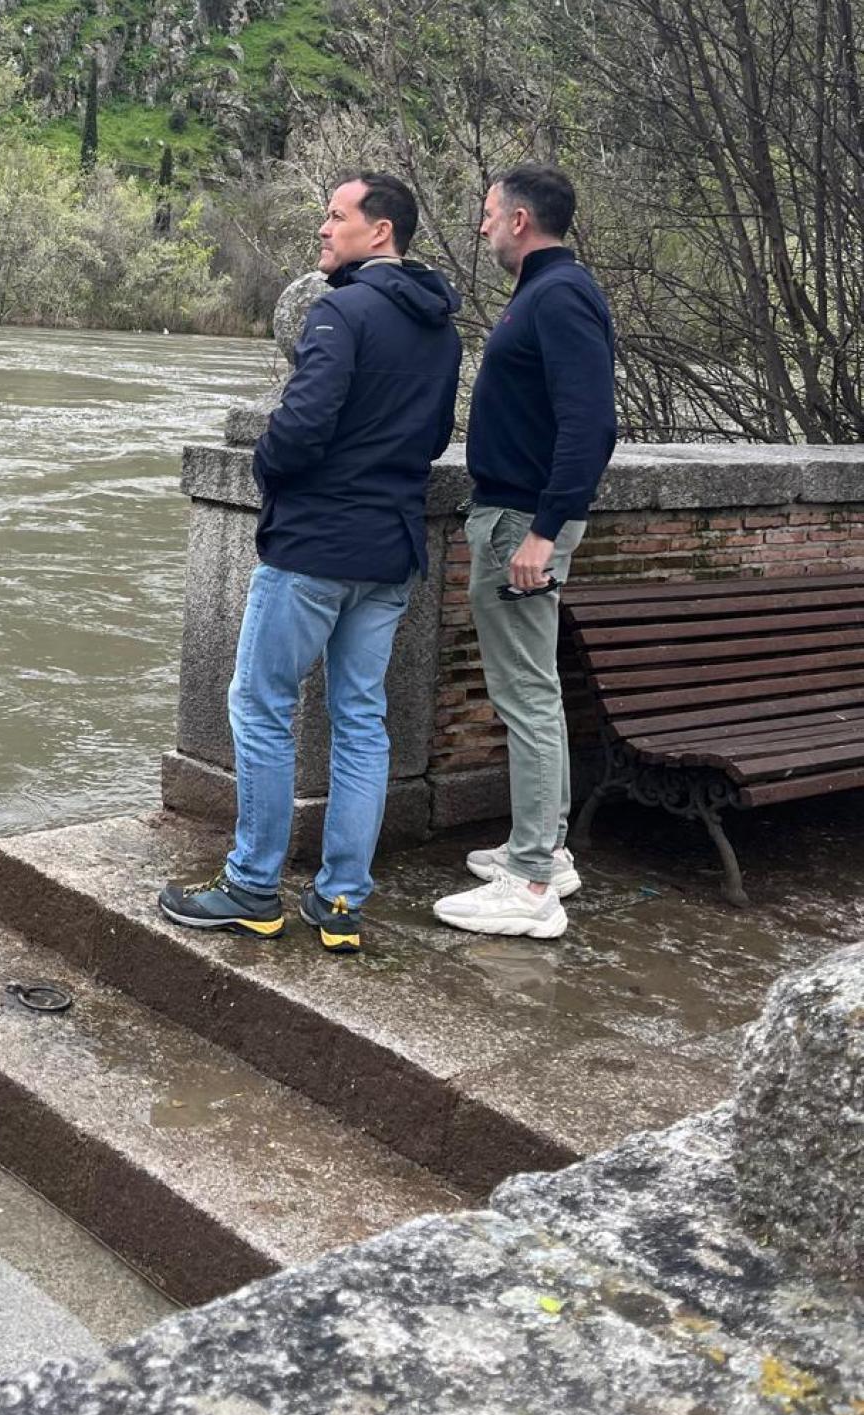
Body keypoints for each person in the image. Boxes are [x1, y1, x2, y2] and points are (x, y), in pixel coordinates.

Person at [159, 173, 463, 954]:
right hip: (390, 549)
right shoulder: (440, 328)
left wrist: (269, 469)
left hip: (316, 546)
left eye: (335, 215)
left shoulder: (341, 310)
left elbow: (300, 426)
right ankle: (341, 902)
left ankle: (253, 888)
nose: (323, 229)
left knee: (260, 703)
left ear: (380, 231)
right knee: (360, 719)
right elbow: (434, 438)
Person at [433, 163, 617, 939]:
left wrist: (543, 531)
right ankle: (545, 850)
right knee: (532, 691)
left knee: (527, 697)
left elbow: (591, 424)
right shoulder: (546, 290)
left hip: (521, 522)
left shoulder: (561, 294)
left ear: (518, 219)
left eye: (487, 212)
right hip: (516, 515)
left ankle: (533, 882)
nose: (480, 226)